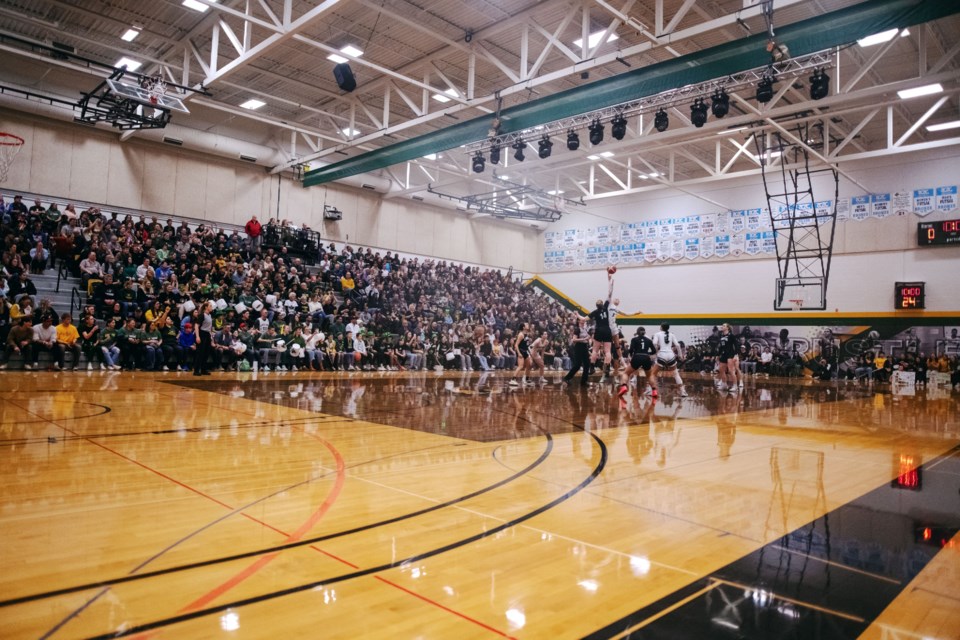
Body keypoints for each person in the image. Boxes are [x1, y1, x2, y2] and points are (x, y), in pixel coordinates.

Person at [647, 323, 688, 398]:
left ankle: (650, 391)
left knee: (653, 374)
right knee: (676, 374)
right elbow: (678, 345)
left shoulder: (657, 334)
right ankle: (683, 391)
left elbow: (654, 343)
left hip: (662, 355)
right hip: (671, 355)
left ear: (661, 327)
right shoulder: (672, 334)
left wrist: (655, 352)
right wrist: (680, 355)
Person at [589, 271, 616, 379]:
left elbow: (583, 318)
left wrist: (576, 314)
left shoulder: (595, 312)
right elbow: (609, 294)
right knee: (608, 351)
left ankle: (592, 367)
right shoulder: (606, 307)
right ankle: (608, 369)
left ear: (596, 305)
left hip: (599, 330)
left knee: (595, 350)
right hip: (607, 330)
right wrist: (611, 283)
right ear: (602, 304)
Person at [618, 326, 655, 397]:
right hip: (646, 357)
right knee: (650, 375)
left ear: (637, 333)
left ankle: (624, 386)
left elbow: (631, 350)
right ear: (645, 333)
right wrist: (647, 354)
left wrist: (631, 356)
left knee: (626, 373)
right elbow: (654, 351)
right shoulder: (649, 340)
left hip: (637, 357)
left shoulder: (634, 339)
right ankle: (654, 391)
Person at [561, 316, 592, 386]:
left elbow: (587, 337)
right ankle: (566, 378)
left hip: (584, 347)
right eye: (582, 320)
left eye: (584, 320)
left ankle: (584, 382)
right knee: (577, 365)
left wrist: (588, 339)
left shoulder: (584, 329)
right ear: (579, 321)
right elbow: (574, 339)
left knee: (587, 364)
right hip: (578, 347)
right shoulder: (577, 329)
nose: (584, 321)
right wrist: (584, 339)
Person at [716, 323, 739, 392]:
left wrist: (736, 354)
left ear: (727, 328)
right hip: (723, 354)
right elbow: (721, 346)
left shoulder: (731, 335)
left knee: (731, 371)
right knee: (721, 370)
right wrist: (718, 354)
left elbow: (736, 344)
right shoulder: (721, 335)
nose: (722, 327)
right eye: (722, 326)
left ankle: (735, 386)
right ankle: (724, 384)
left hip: (730, 354)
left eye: (724, 326)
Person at [509, 322, 533, 386]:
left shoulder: (526, 334)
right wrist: (519, 353)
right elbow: (516, 345)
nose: (528, 325)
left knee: (529, 365)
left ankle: (526, 379)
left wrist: (530, 353)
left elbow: (526, 345)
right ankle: (512, 380)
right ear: (523, 327)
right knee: (521, 366)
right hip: (521, 351)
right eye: (526, 325)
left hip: (525, 351)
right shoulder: (521, 334)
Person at [194, 300, 214, 375]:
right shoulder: (202, 315)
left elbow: (210, 328)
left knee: (206, 353)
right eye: (210, 306)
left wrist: (211, 337)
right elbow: (196, 326)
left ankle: (203, 369)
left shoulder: (209, 315)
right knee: (200, 353)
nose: (211, 307)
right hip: (202, 334)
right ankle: (196, 370)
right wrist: (197, 337)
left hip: (207, 334)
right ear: (206, 307)